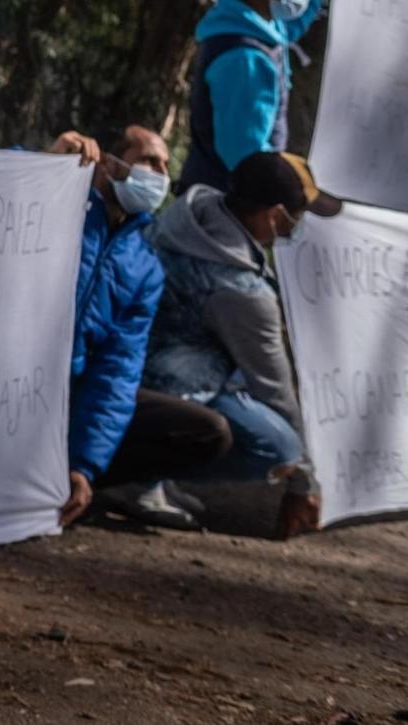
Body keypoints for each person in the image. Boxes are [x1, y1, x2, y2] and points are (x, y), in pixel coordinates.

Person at [143, 151, 341, 540]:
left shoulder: (186, 221)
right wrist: (306, 481)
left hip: (129, 378)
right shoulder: (241, 291)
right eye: (299, 215)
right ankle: (140, 475)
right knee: (278, 446)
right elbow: (274, 389)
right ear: (274, 215)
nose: (298, 225)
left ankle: (150, 471)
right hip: (163, 394)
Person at [49, 128, 232, 529]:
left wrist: (84, 465)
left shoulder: (144, 266)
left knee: (206, 431)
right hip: (8, 393)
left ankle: (81, 487)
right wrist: (44, 167)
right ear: (110, 163)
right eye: (150, 160)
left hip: (72, 399)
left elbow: (116, 372)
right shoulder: (53, 206)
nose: (161, 174)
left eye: (166, 165)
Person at [176, 0, 335, 193]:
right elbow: (246, 159)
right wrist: (296, 188)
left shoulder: (260, 29)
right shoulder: (244, 59)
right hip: (225, 211)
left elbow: (291, 27)